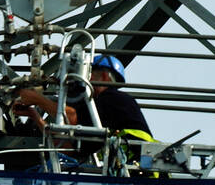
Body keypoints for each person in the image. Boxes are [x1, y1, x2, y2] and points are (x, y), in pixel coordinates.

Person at [14, 53, 154, 162]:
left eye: (90, 74)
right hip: (130, 182)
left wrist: (37, 99)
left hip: (139, 179)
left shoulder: (114, 99)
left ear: (104, 76)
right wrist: (35, 116)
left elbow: (71, 117)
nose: (87, 79)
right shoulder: (104, 120)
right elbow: (65, 148)